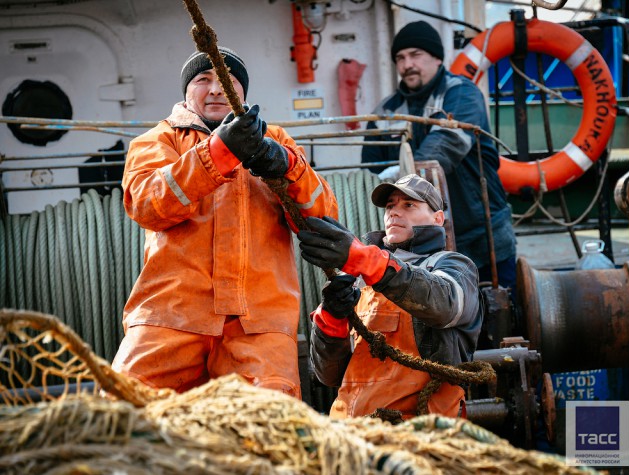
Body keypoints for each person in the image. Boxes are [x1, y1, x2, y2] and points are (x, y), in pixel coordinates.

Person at [111, 48, 338, 398]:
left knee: (270, 428)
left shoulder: (276, 141)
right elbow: (146, 205)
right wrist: (218, 152)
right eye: (204, 80)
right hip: (170, 317)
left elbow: (322, 217)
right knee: (121, 408)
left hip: (259, 325)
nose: (216, 89)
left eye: (228, 82)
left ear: (242, 93)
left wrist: (286, 165)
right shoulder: (158, 140)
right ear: (186, 92)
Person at [297, 174, 482, 419]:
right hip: (350, 434)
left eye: (409, 205)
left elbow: (445, 305)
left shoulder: (454, 267)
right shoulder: (357, 280)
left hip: (419, 434)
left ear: (438, 219)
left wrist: (367, 260)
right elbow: (328, 376)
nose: (394, 212)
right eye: (390, 206)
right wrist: (331, 322)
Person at [361, 20, 517, 294]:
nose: (407, 64)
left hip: (482, 234)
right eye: (400, 58)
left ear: (436, 57)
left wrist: (402, 175)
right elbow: (368, 171)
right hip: (421, 247)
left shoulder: (462, 94)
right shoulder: (385, 112)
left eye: (415, 55)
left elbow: (446, 144)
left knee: (501, 312)